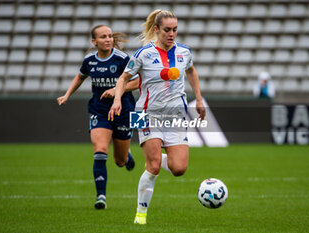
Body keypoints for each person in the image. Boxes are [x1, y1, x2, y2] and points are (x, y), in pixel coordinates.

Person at [108, 10, 206, 224]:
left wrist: (198, 99)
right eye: (167, 30)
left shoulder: (184, 52)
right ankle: (140, 214)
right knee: (153, 167)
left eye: (175, 30)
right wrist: (117, 100)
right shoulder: (144, 54)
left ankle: (153, 156)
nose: (172, 34)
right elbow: (124, 78)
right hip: (144, 113)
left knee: (178, 169)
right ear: (157, 30)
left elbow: (191, 71)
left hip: (175, 115)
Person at [57, 24, 139, 210]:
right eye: (103, 37)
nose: (108, 39)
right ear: (94, 41)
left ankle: (126, 156)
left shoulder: (122, 59)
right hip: (99, 111)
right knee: (100, 150)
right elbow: (80, 76)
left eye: (110, 36)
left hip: (123, 111)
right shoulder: (90, 61)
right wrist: (67, 94)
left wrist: (116, 89)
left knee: (119, 161)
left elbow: (138, 81)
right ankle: (101, 196)